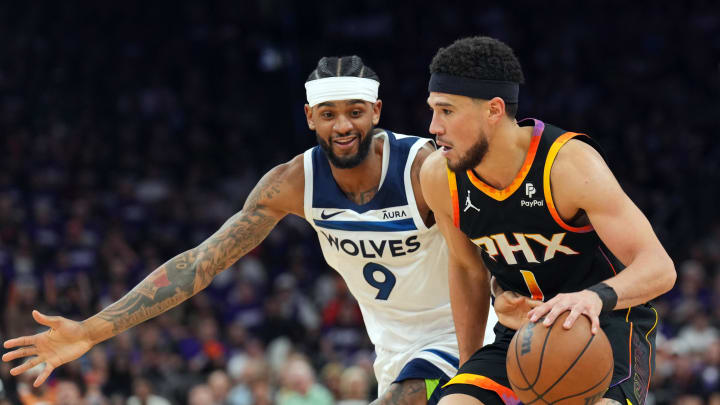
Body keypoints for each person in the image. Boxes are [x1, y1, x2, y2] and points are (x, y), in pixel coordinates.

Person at [2, 55, 509, 405]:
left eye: (355, 112)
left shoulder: (424, 169)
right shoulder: (291, 184)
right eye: (329, 114)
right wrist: (90, 332)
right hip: (392, 344)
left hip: (465, 326)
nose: (343, 125)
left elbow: (486, 251)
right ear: (310, 117)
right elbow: (200, 265)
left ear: (376, 111)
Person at [420, 36, 676, 405]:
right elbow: (466, 269)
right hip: (522, 331)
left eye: (446, 111)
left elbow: (660, 268)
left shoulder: (568, 165)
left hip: (602, 326)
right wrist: (468, 366)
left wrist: (591, 298)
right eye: (433, 110)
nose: (433, 126)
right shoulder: (438, 175)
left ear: (493, 110)